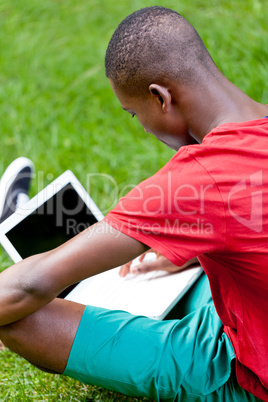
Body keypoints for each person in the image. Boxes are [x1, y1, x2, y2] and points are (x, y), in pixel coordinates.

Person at [0, 6, 267, 401]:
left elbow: (32, 285)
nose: (142, 126)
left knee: (18, 317)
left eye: (133, 113)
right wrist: (191, 252)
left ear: (160, 97)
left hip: (248, 371)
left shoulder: (202, 178)